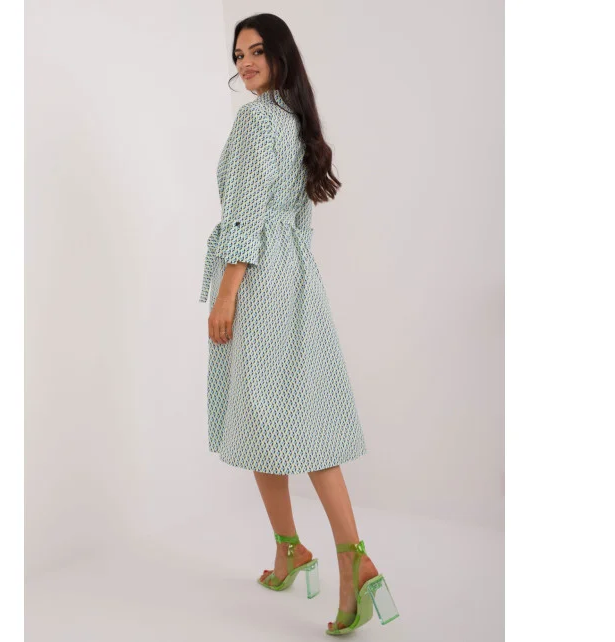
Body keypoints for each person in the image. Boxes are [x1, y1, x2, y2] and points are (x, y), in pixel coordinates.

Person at [198, 13, 399, 636]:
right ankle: (295, 549)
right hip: (296, 280)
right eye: (238, 54)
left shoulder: (259, 120)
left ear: (281, 54)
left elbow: (247, 215)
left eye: (257, 50)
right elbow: (290, 218)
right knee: (276, 415)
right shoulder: (293, 119)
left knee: (280, 418)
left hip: (259, 284)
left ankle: (346, 558)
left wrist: (227, 294)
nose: (245, 62)